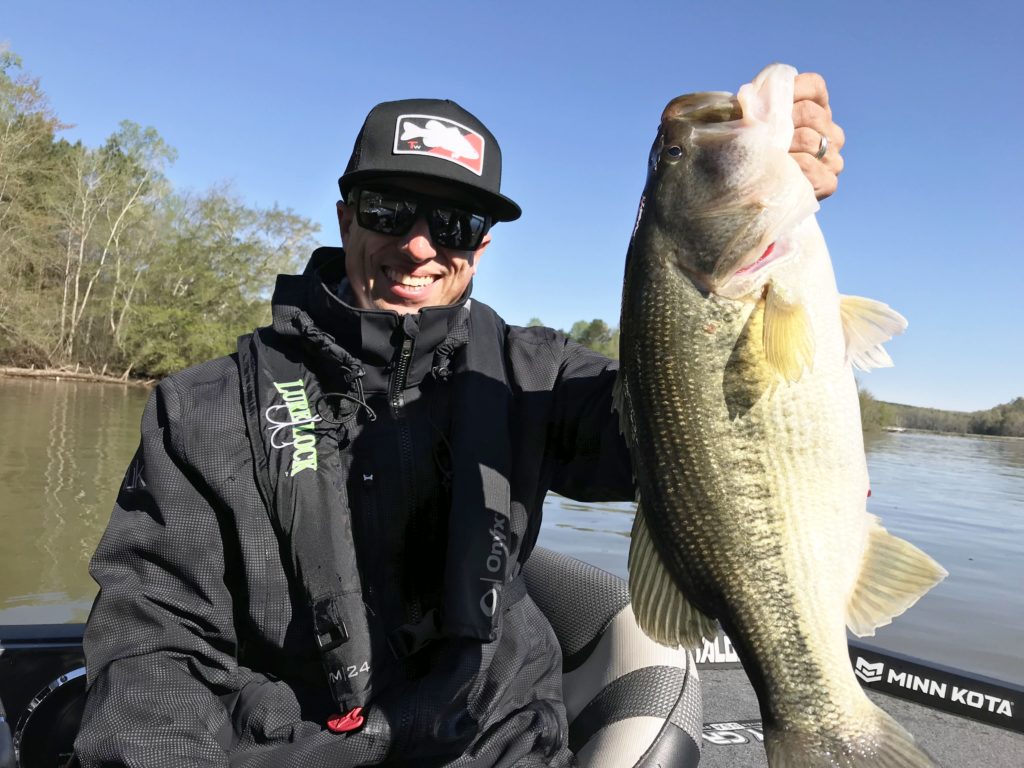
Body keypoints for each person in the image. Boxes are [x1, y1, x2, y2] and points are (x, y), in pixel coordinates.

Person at [74, 75, 844, 767]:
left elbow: (679, 434)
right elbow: (154, 649)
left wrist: (758, 188)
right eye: (387, 210)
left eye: (453, 222)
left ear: (481, 244)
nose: (417, 246)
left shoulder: (535, 376)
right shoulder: (200, 411)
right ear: (345, 218)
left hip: (498, 740)